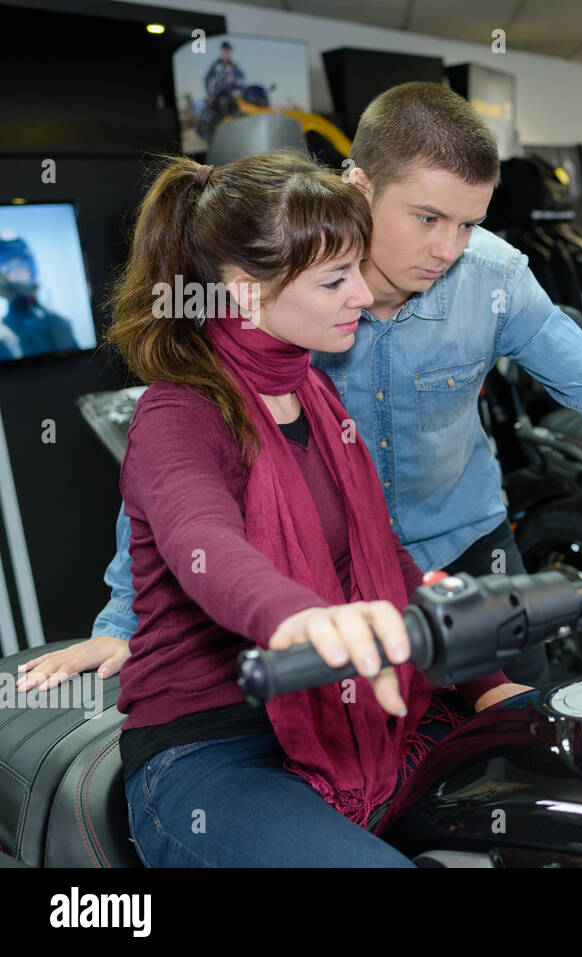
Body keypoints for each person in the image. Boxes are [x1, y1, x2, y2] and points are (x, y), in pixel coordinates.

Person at [20, 82, 582, 694]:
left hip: (468, 550)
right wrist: (120, 620)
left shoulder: (494, 277)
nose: (448, 249)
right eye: (428, 217)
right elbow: (170, 482)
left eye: (468, 225)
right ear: (359, 185)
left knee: (521, 737)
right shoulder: (282, 299)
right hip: (322, 572)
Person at [101, 151, 526, 867]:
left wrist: (489, 681)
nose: (362, 292)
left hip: (346, 708)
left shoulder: (314, 393)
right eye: (336, 278)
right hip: (214, 747)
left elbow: (385, 557)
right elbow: (201, 539)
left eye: (358, 267)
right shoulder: (177, 412)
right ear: (242, 292)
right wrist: (299, 618)